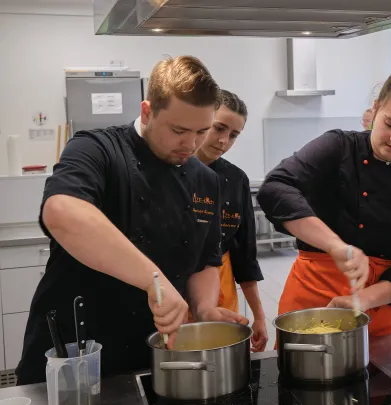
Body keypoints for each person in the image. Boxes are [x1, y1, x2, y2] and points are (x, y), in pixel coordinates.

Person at [16, 55, 248, 385]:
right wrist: (155, 281)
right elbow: (62, 212)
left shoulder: (205, 180)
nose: (191, 144)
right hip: (76, 352)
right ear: (147, 111)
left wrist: (204, 308)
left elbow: (205, 262)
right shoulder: (96, 148)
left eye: (202, 131)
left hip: (153, 356)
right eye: (179, 130)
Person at [257, 64, 391, 337]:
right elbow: (275, 187)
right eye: (390, 124)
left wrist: (363, 300)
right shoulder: (339, 147)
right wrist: (336, 246)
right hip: (313, 299)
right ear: (376, 109)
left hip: (379, 306)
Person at [194, 90, 269, 352]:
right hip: (173, 289)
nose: (224, 141)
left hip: (222, 287)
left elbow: (244, 254)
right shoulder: (171, 171)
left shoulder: (236, 180)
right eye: (218, 128)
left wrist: (259, 316)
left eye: (234, 135)